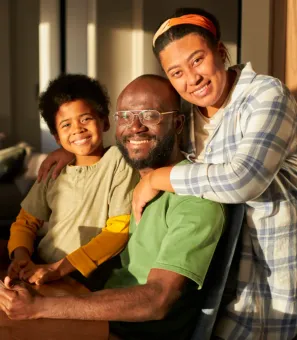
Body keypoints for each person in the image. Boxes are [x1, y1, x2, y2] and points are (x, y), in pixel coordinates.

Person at [0, 75, 225, 340]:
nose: (135, 127)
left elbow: (157, 299)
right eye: (126, 116)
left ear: (177, 123)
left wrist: (39, 307)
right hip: (92, 302)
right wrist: (67, 153)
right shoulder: (140, 180)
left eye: (150, 115)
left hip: (126, 329)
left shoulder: (195, 200)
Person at [129, 7, 297, 340]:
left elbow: (243, 179)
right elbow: (141, 147)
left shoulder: (266, 95)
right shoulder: (186, 118)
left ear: (220, 52)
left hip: (274, 278)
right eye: (176, 72)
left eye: (197, 60)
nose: (191, 79)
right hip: (217, 287)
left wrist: (156, 179)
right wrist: (70, 153)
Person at [7, 74, 138, 289]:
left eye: (85, 118)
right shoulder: (54, 170)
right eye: (66, 125)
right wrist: (21, 255)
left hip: (85, 279)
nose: (77, 129)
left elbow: (118, 232)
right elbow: (25, 222)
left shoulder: (117, 161)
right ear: (57, 137)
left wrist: (58, 268)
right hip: (42, 269)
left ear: (104, 121)